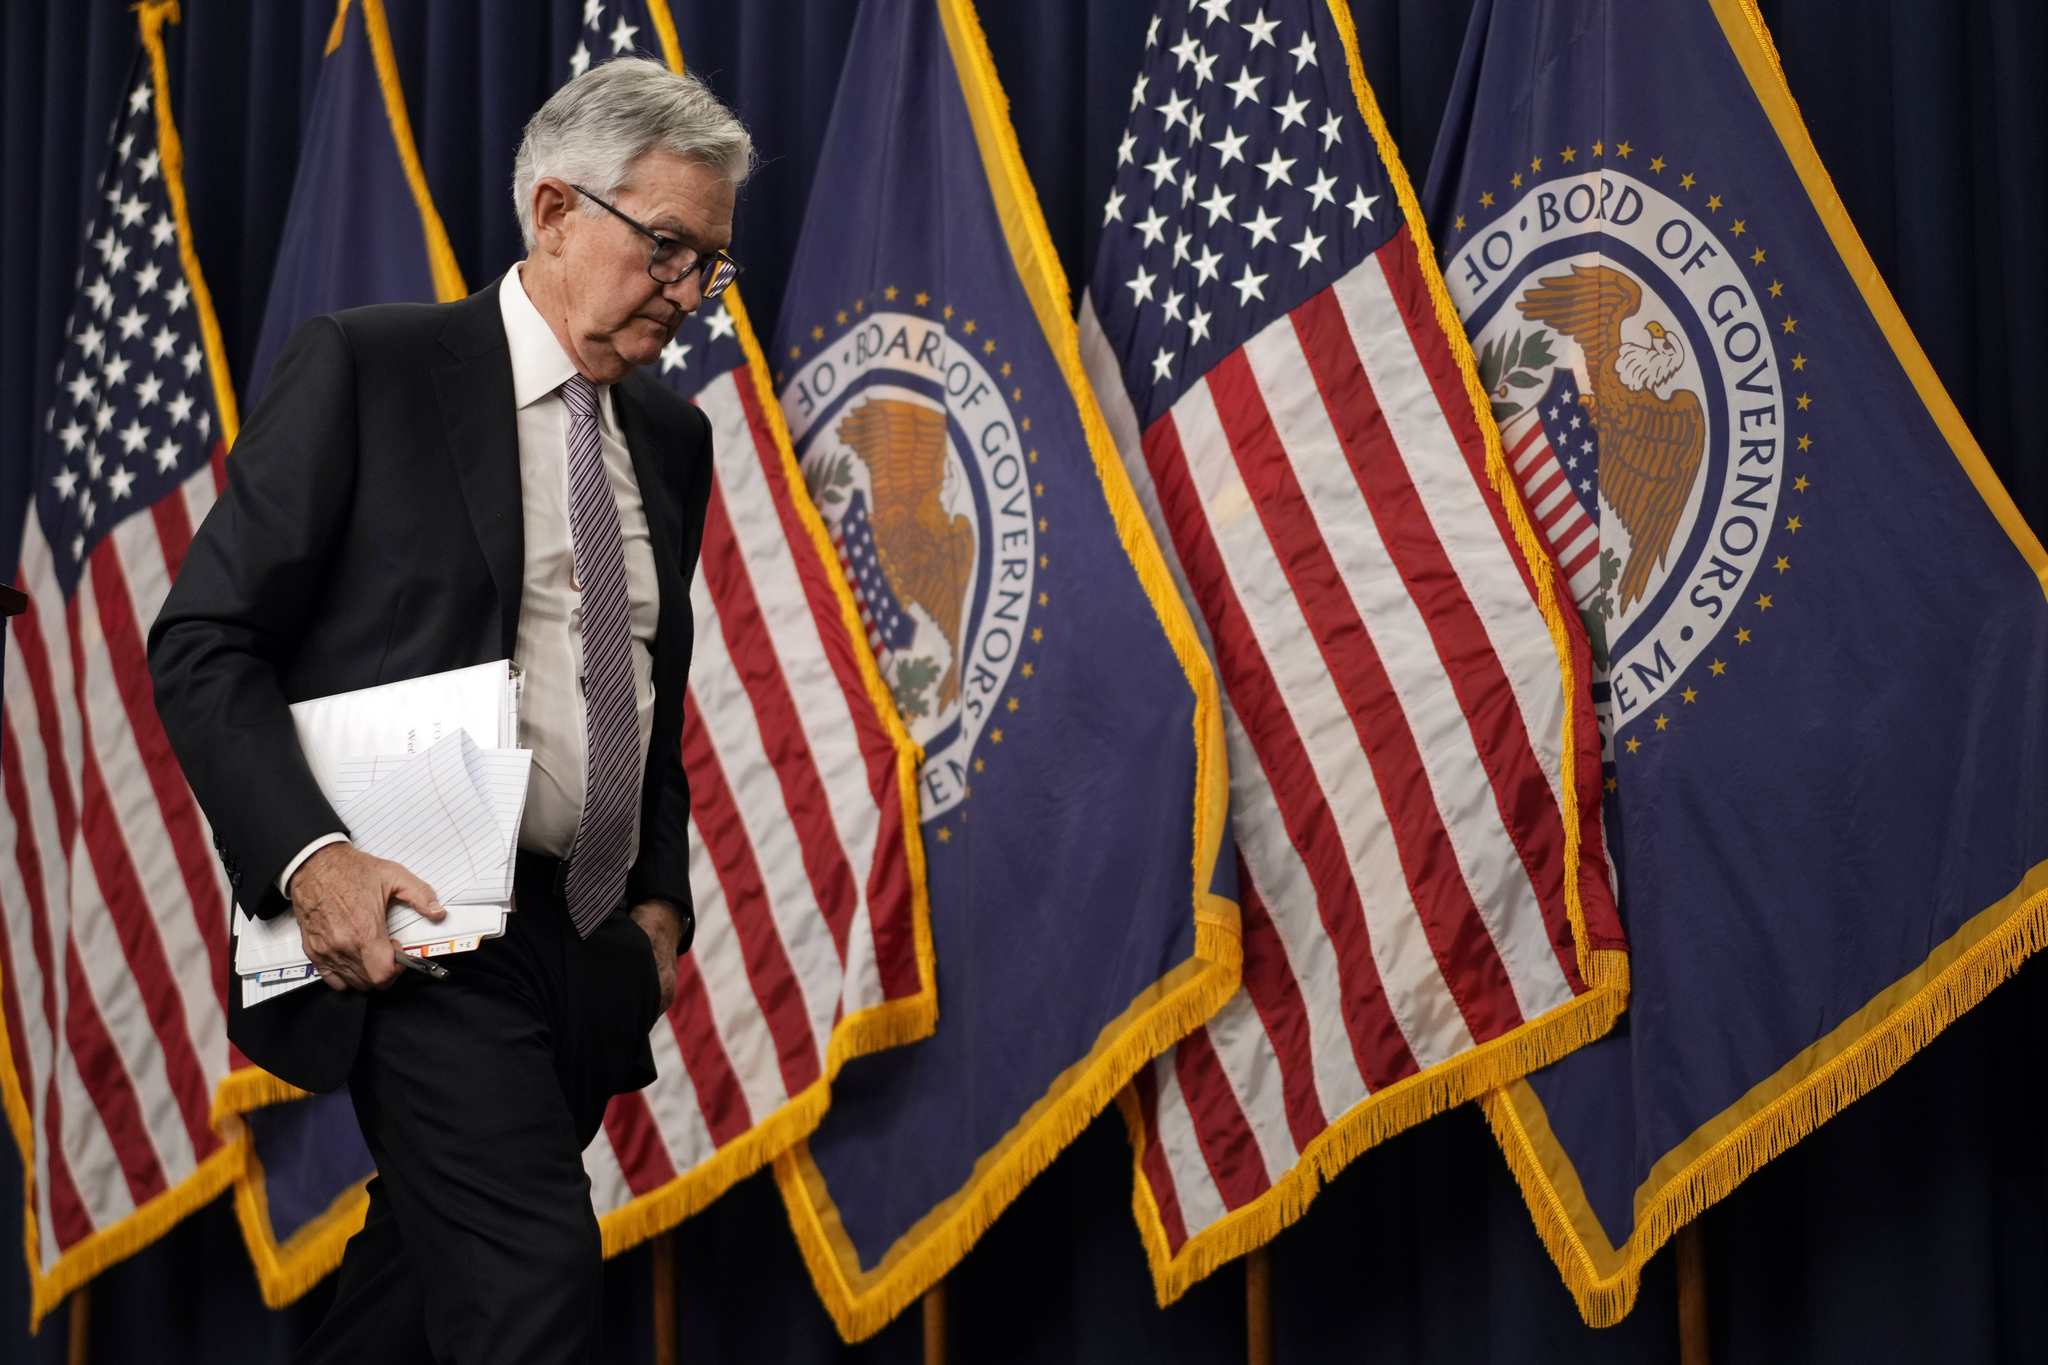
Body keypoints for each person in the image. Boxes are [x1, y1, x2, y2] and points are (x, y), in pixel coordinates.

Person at [147, 58, 750, 1364]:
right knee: (528, 1283)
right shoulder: (372, 368)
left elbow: (647, 685)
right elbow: (205, 639)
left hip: (584, 948)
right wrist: (315, 857)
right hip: (423, 921)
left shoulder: (672, 438)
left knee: (418, 1295)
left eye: (712, 264)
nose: (690, 294)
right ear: (551, 211)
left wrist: (657, 904)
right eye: (665, 248)